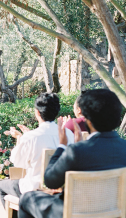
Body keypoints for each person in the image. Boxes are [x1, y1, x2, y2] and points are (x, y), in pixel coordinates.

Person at [18, 89, 126, 218]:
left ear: (88, 121)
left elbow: (51, 181)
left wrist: (62, 146)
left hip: (75, 211)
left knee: (27, 198)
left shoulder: (78, 151)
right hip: (114, 210)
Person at [0, 93, 74, 208]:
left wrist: (20, 138)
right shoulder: (68, 134)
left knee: (2, 186)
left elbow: (17, 162)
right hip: (62, 189)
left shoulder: (32, 137)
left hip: (34, 189)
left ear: (37, 112)